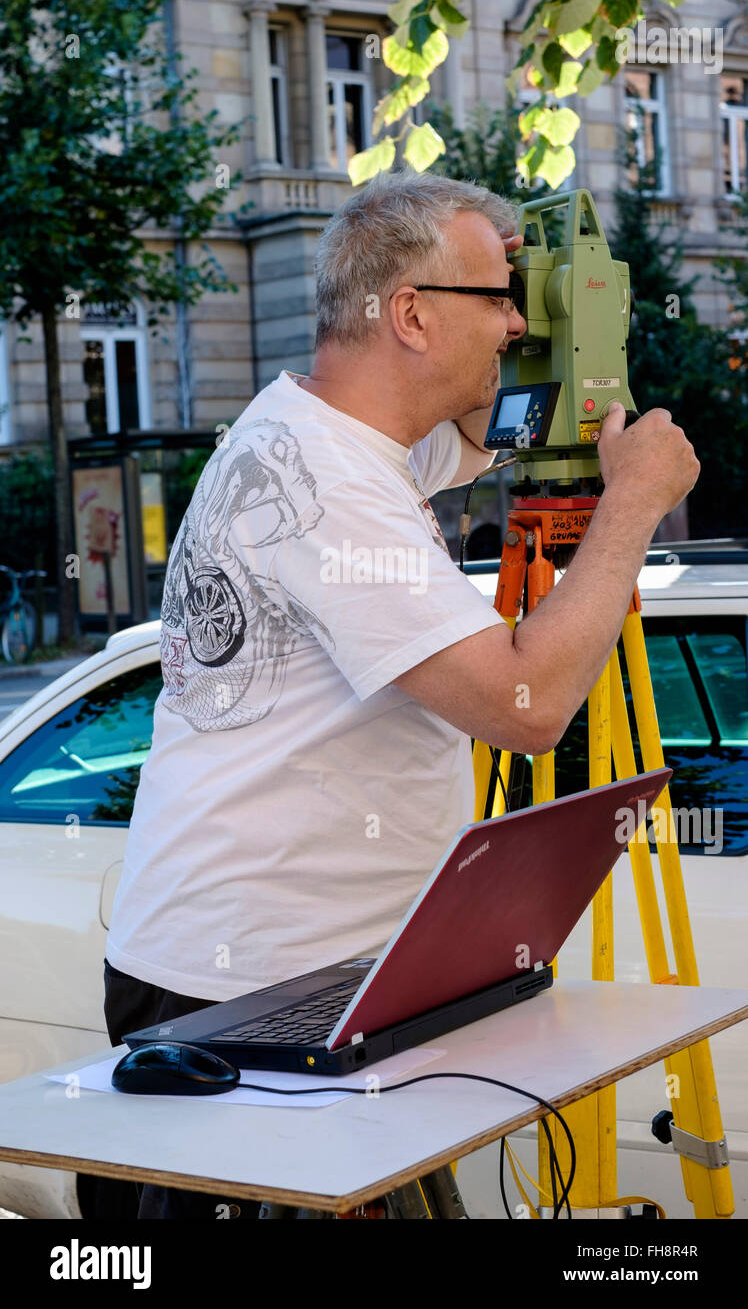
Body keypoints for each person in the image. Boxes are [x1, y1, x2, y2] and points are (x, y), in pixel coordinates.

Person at [99, 171, 699, 1219]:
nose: (517, 323)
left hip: (335, 978)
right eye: (497, 300)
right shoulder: (329, 487)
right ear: (410, 313)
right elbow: (525, 704)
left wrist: (573, 333)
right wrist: (633, 504)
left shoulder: (334, 435)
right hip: (242, 997)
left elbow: (472, 436)